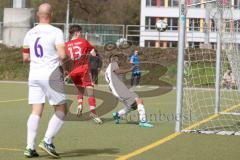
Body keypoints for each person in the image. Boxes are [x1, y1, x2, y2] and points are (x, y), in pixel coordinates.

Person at [22, 3, 67, 158]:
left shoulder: (29, 33)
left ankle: (29, 147)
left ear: (38, 15)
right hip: (51, 75)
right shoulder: (56, 32)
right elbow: (62, 55)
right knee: (62, 109)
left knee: (36, 111)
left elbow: (25, 57)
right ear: (51, 15)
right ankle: (47, 140)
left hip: (34, 75)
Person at [65, 25, 102, 124]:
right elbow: (93, 53)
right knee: (90, 90)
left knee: (80, 89)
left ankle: (80, 104)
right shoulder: (83, 41)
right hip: (83, 69)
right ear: (76, 32)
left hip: (73, 72)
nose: (81, 34)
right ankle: (93, 112)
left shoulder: (66, 44)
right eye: (80, 32)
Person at [105, 54, 153, 128]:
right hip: (119, 90)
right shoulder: (113, 64)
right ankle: (143, 121)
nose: (124, 62)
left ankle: (117, 115)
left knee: (133, 106)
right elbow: (118, 71)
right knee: (139, 100)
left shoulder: (108, 70)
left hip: (117, 91)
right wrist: (130, 69)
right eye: (123, 60)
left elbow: (111, 83)